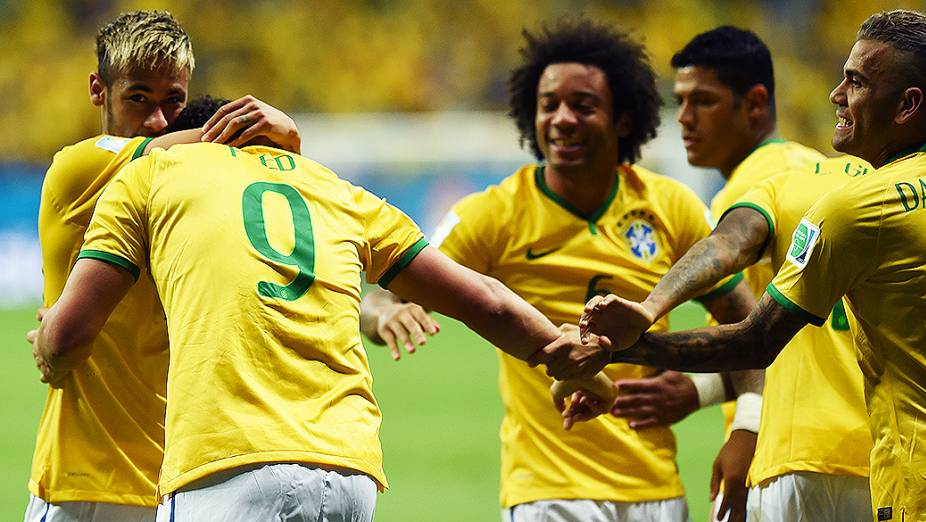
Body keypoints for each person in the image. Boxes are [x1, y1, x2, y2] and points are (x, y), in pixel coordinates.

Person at [26, 112, 614, 520]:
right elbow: (483, 297)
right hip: (349, 474)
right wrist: (574, 362)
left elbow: (70, 336)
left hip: (229, 464)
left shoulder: (151, 175)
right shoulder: (335, 188)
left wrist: (46, 339)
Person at [360, 18, 757, 522]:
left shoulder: (670, 207)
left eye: (583, 106)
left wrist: (734, 415)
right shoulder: (494, 214)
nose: (562, 119)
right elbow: (379, 296)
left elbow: (747, 330)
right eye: (549, 105)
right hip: (548, 492)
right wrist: (382, 318)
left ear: (623, 120)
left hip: (656, 490)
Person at [570, 9, 926, 521]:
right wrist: (703, 390)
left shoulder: (811, 197)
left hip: (818, 456)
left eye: (701, 101)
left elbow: (752, 317)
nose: (683, 117)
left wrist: (639, 333)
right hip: (868, 450)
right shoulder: (830, 175)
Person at [27, 10, 300, 522]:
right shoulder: (82, 166)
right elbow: (174, 150)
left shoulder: (191, 189)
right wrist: (283, 130)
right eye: (138, 98)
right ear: (98, 91)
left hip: (178, 486)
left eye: (173, 100)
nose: (157, 118)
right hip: (87, 482)